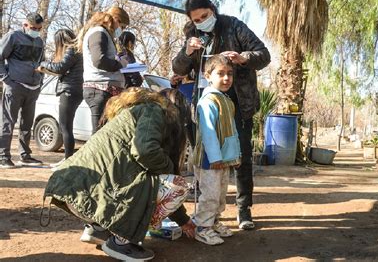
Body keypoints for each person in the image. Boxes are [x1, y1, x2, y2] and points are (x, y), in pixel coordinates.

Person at [43, 87, 192, 261]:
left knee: (138, 176)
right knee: (179, 185)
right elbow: (145, 151)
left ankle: (98, 229)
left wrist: (183, 221)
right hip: (88, 195)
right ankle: (122, 241)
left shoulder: (131, 112)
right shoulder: (155, 110)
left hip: (71, 190)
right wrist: (168, 167)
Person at [172, 0, 271, 230]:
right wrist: (187, 52)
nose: (201, 21)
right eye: (196, 19)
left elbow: (263, 54)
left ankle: (244, 210)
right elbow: (178, 68)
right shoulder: (191, 33)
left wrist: (243, 57)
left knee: (241, 156)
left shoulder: (233, 25)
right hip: (205, 104)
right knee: (207, 157)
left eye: (205, 16)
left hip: (237, 102)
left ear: (212, 11)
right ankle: (211, 211)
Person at [192, 54, 241, 245]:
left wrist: (235, 155)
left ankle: (213, 222)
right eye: (220, 73)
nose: (226, 78)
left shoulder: (226, 100)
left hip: (223, 160)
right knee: (210, 195)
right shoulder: (208, 101)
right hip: (209, 160)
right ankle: (202, 228)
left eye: (230, 73)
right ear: (207, 76)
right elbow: (209, 132)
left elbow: (232, 131)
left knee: (220, 195)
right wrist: (214, 158)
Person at [0, 12, 45, 168]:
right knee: (8, 122)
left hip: (33, 88)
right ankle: (3, 156)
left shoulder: (40, 41)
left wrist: (40, 82)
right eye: (33, 27)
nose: (36, 31)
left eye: (39, 28)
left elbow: (41, 63)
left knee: (27, 123)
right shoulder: (13, 36)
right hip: (14, 86)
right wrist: (5, 79)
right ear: (25, 25)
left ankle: (25, 155)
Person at [76, 7, 129, 134]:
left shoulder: (103, 33)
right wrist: (120, 64)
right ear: (115, 20)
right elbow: (99, 60)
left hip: (104, 89)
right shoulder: (99, 32)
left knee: (104, 134)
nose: (122, 30)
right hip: (100, 90)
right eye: (123, 26)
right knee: (99, 135)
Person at [37, 29, 83, 165]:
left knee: (65, 127)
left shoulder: (72, 50)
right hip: (74, 90)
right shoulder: (78, 51)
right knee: (66, 126)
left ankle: (68, 159)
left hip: (69, 91)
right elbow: (62, 71)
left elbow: (60, 67)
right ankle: (66, 157)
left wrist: (43, 63)